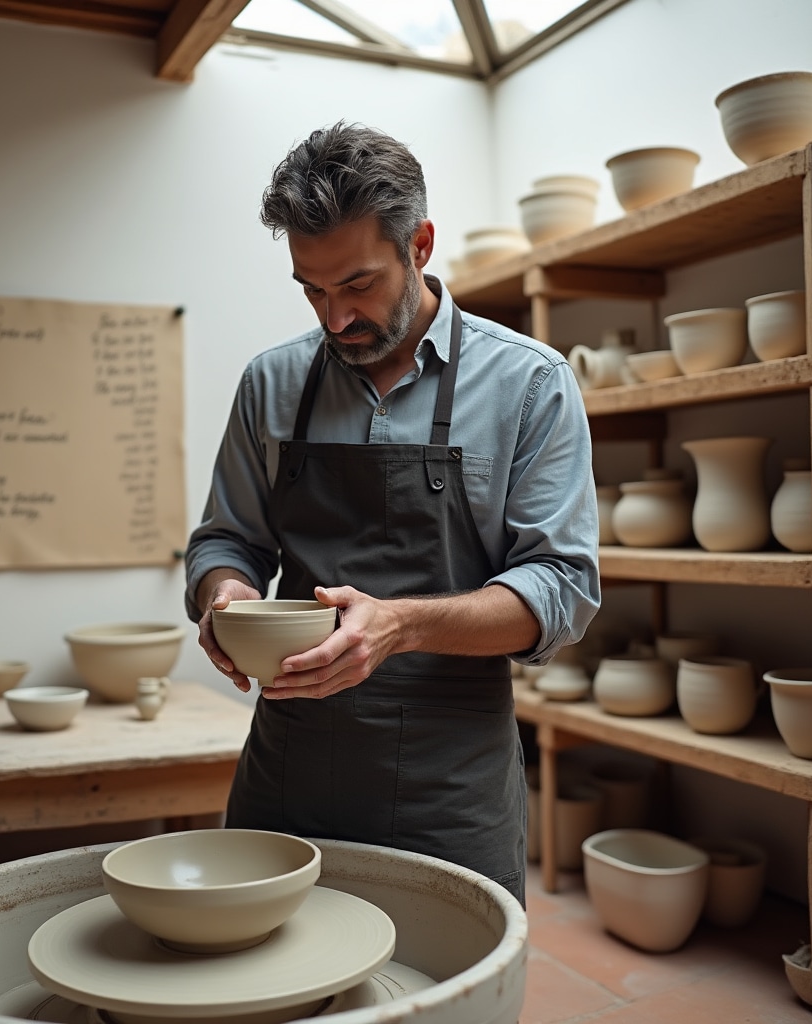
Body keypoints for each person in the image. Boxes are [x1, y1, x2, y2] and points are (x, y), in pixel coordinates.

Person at [184, 121, 600, 906]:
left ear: (420, 245)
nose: (335, 319)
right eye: (313, 290)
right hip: (288, 771)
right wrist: (225, 596)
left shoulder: (530, 385)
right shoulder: (270, 384)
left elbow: (562, 586)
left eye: (358, 285)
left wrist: (400, 625)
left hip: (453, 787)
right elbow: (225, 540)